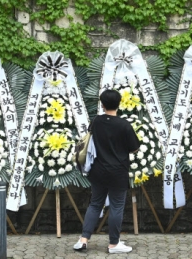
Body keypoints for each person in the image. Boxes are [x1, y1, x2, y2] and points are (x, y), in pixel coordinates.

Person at [73, 89, 140, 254]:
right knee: (116, 206)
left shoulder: (96, 121)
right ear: (119, 104)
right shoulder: (124, 125)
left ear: (102, 105)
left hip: (98, 170)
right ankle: (113, 243)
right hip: (118, 172)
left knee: (95, 203)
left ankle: (83, 240)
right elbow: (134, 148)